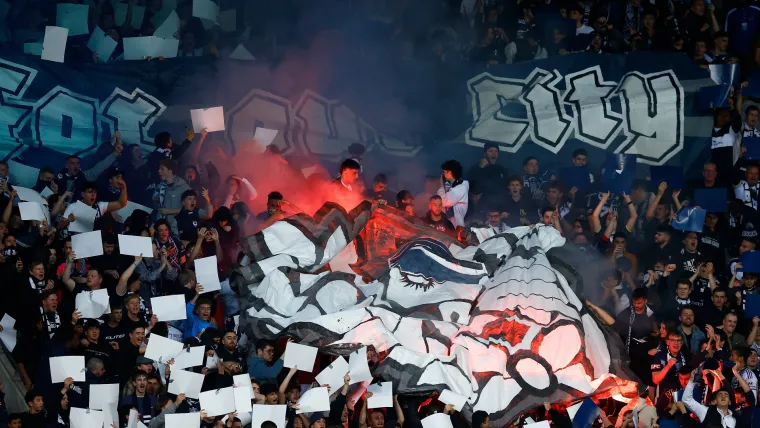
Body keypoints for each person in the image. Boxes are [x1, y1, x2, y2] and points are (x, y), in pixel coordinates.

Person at [54, 136, 123, 201]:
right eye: (72, 163)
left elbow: (101, 166)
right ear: (67, 165)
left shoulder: (84, 176)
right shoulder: (59, 177)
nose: (75, 166)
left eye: (77, 163)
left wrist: (115, 153)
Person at [154, 159, 191, 235]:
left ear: (170, 171)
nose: (159, 171)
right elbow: (156, 207)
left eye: (162, 169)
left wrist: (169, 211)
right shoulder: (160, 186)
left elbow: (190, 209)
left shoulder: (183, 187)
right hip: (161, 228)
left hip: (176, 228)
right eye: (159, 168)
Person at [437, 160, 469, 228]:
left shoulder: (461, 188)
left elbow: (441, 201)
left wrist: (441, 186)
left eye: (444, 172)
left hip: (456, 227)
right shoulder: (454, 185)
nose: (443, 174)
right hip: (449, 224)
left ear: (449, 172)